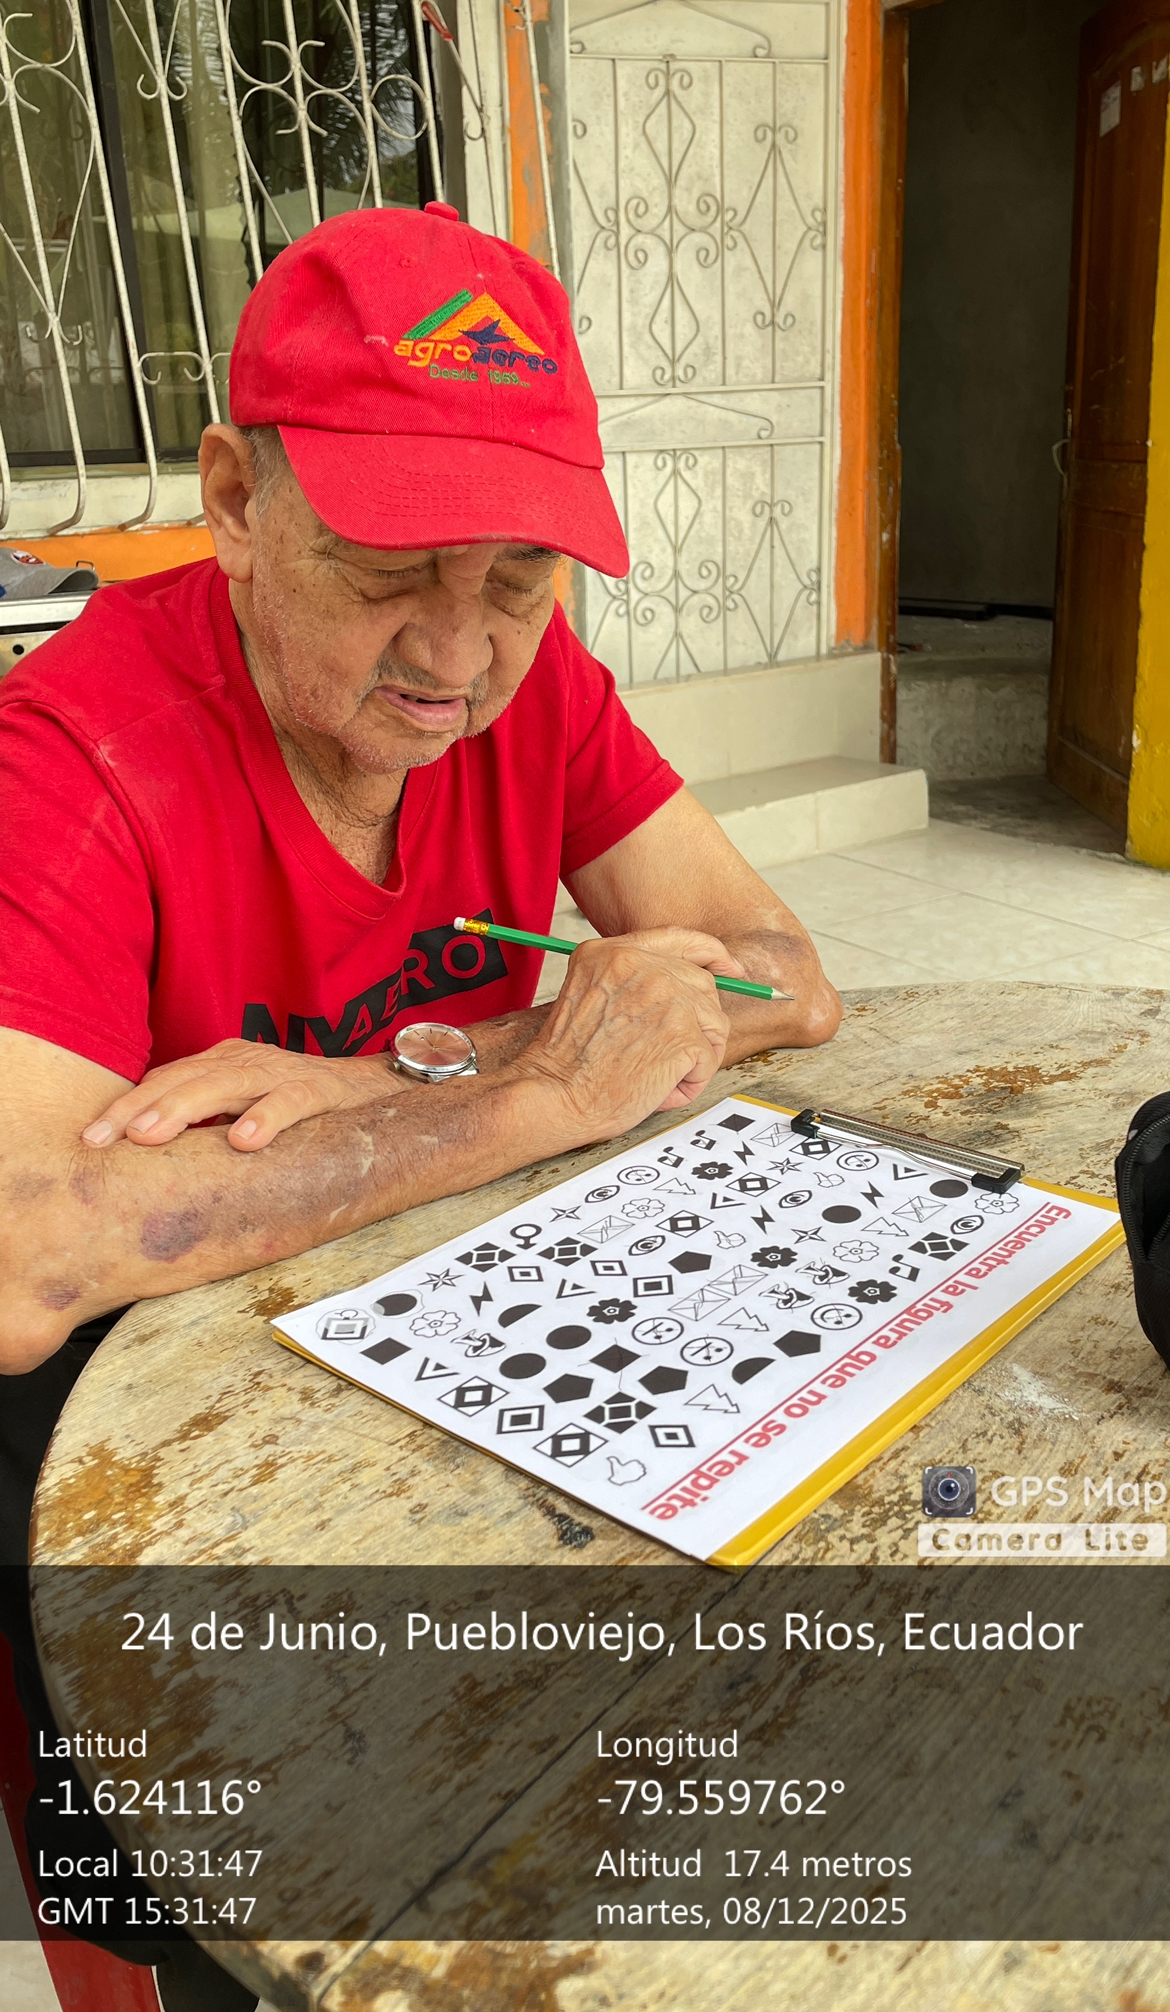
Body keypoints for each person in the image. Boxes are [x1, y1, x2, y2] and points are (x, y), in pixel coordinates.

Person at [0, 202, 839, 2010]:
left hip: (444, 1396)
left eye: (518, 581)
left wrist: (401, 1075)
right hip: (149, 1492)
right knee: (230, 1934)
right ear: (237, 499)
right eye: (390, 569)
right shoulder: (70, 752)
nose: (455, 659)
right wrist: (535, 1095)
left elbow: (782, 976)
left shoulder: (535, 697)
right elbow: (22, 1255)